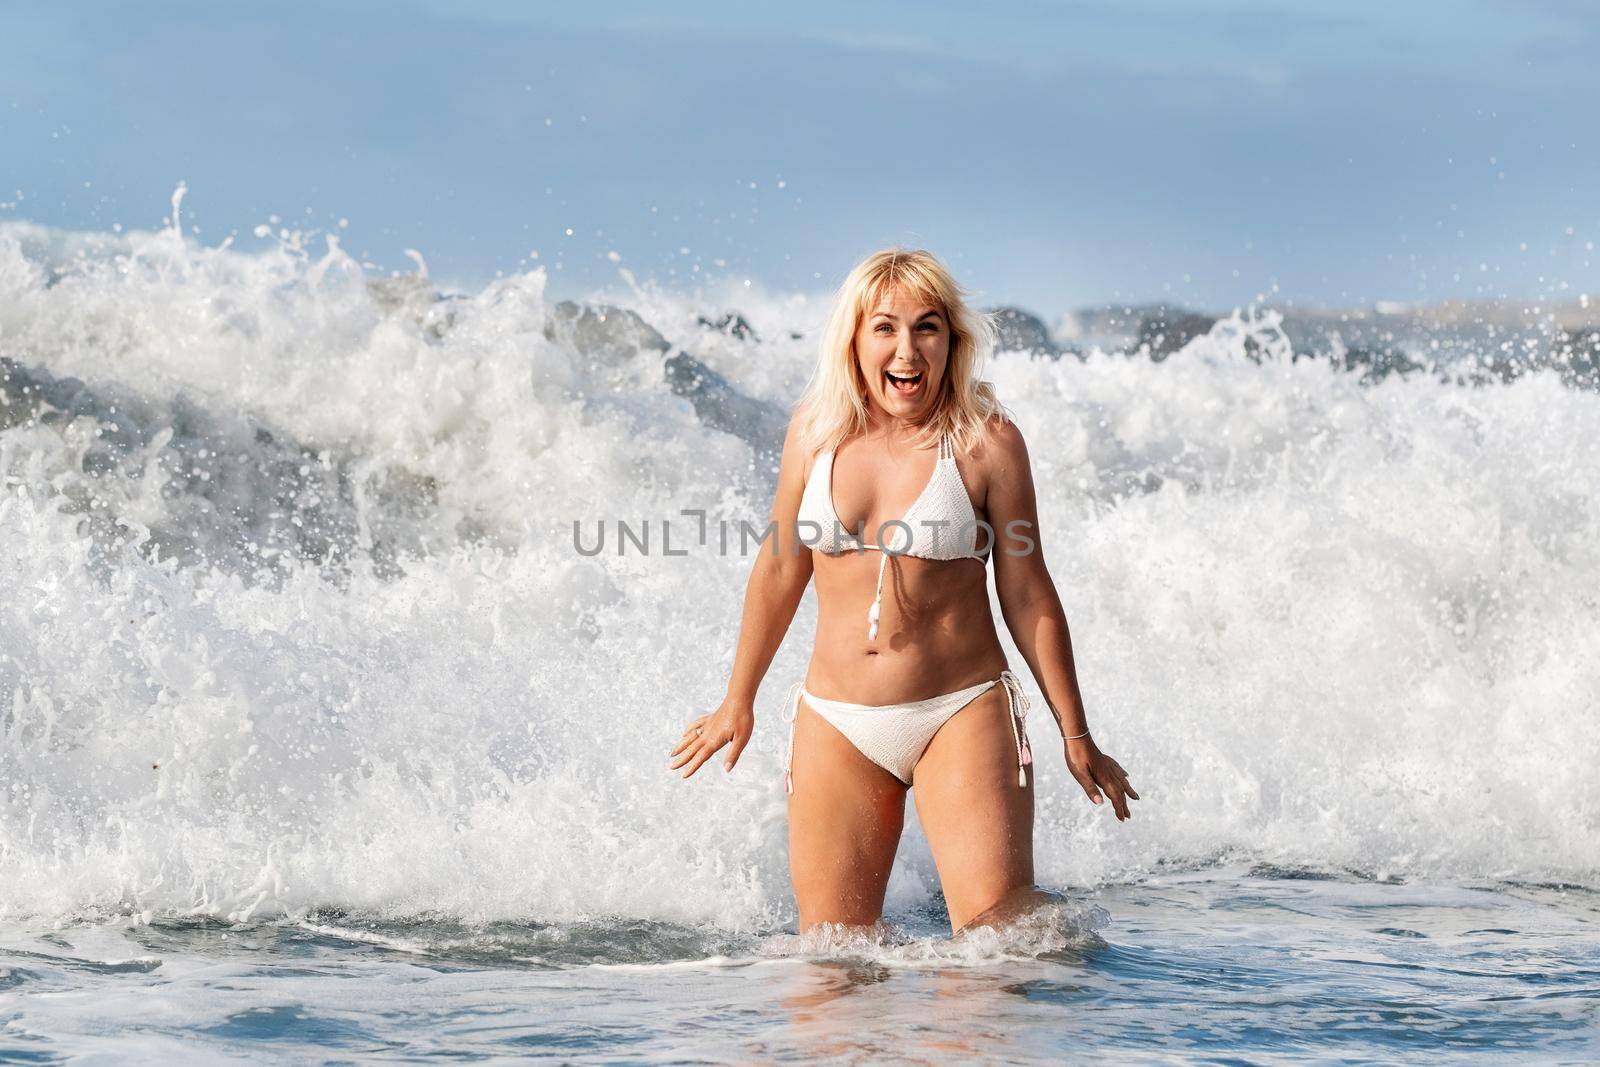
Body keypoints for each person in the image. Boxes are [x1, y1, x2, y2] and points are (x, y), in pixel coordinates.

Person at [669, 248, 1138, 935]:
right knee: (832, 967)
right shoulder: (814, 431)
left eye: (928, 327)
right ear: (855, 338)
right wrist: (737, 699)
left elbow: (1027, 590)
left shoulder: (987, 442)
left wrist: (1076, 731)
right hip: (836, 719)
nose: (907, 349)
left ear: (952, 341)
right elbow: (778, 569)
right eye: (885, 327)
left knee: (994, 957)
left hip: (962, 710)